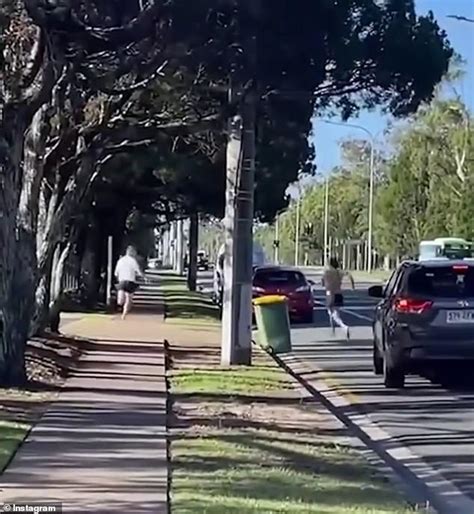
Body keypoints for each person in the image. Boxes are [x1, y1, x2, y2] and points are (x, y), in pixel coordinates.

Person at [322, 257, 355, 339]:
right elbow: (349, 275)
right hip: (339, 294)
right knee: (334, 312)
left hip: (330, 294)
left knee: (332, 313)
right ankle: (333, 330)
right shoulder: (339, 272)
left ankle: (343, 327)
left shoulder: (327, 272)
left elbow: (323, 282)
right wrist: (352, 286)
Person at [114, 246, 144, 320]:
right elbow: (138, 271)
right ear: (132, 252)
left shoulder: (120, 260)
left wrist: (118, 277)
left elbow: (116, 273)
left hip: (122, 281)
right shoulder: (133, 261)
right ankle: (124, 314)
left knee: (120, 300)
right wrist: (144, 277)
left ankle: (120, 302)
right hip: (130, 282)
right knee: (128, 299)